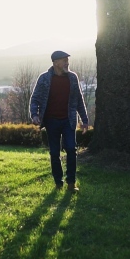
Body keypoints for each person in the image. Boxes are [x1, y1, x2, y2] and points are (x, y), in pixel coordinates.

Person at [30, 50, 89, 193]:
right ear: (56, 63)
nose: (67, 63)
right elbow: (35, 98)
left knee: (71, 149)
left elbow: (79, 100)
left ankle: (71, 183)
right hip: (51, 122)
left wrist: (84, 120)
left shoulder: (73, 78)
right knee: (54, 152)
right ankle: (58, 182)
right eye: (64, 60)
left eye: (67, 60)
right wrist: (34, 114)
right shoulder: (44, 78)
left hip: (68, 121)